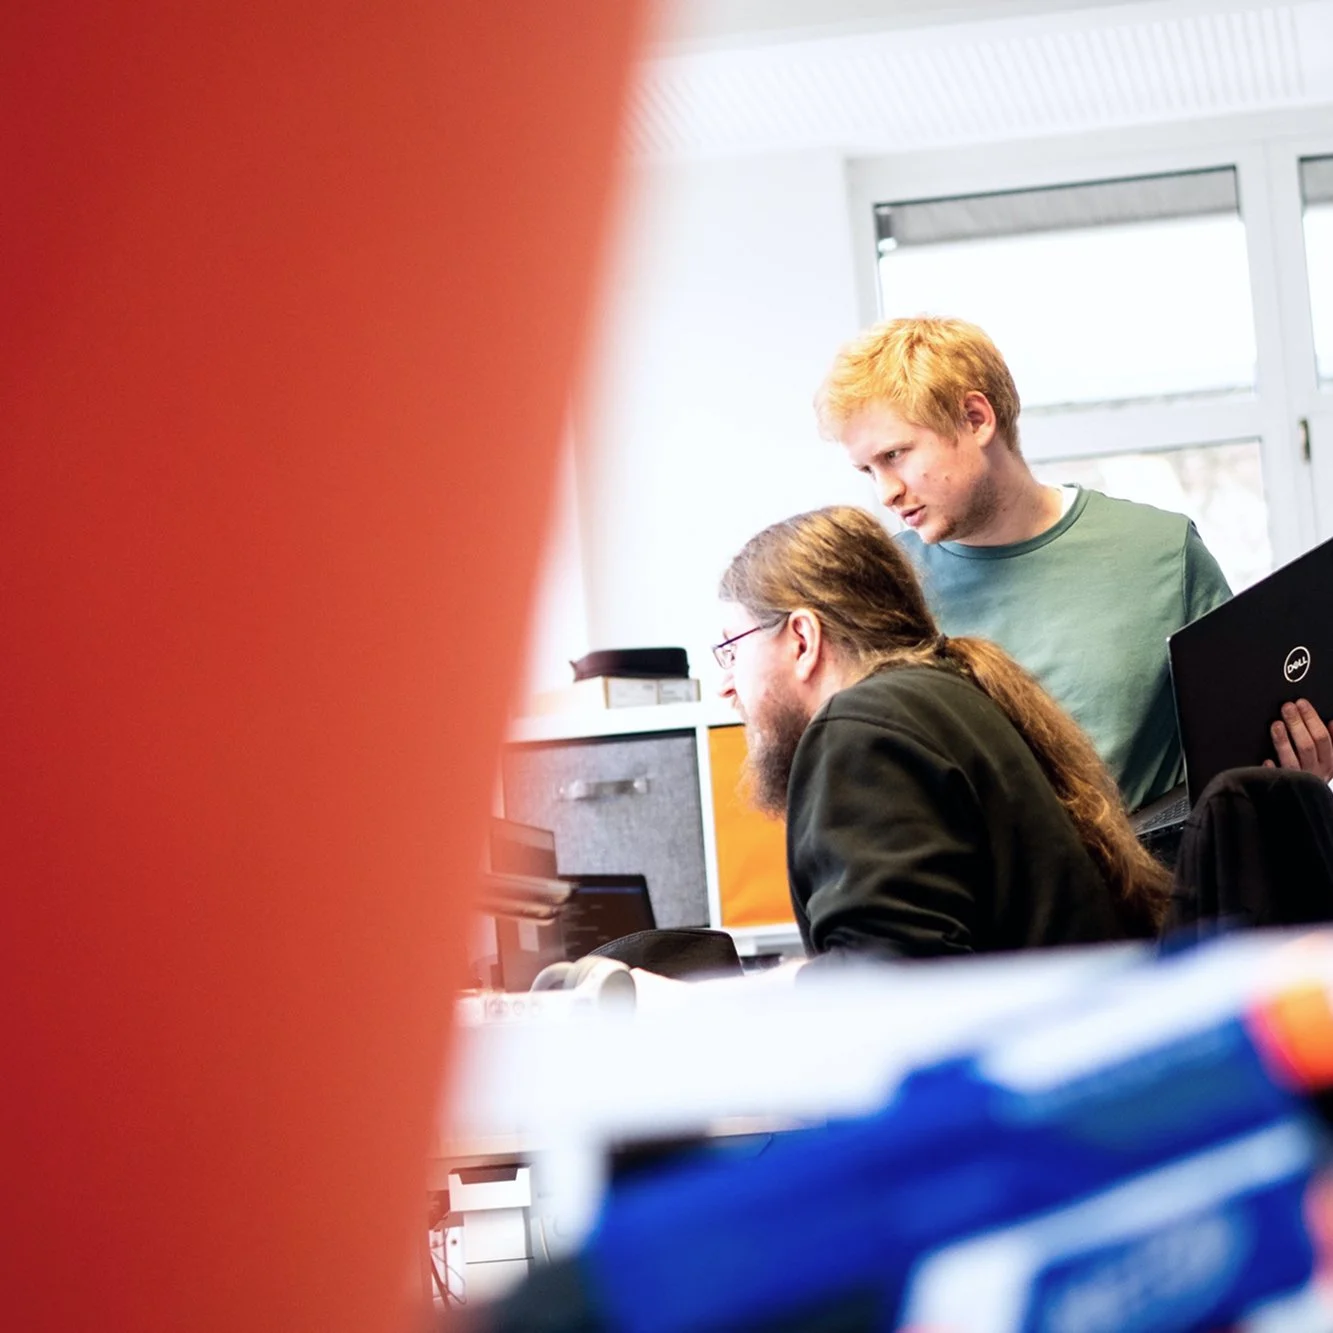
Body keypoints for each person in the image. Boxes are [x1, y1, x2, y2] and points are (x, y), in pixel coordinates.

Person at [815, 316, 1333, 811]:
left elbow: (1240, 749)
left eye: (895, 456)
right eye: (867, 470)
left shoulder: (1160, 550)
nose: (886, 492)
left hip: (1167, 892)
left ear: (976, 419)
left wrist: (1297, 777)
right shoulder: (884, 592)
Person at [715, 505, 1169, 961]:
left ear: (801, 639)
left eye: (732, 650)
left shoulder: (860, 731)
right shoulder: (947, 697)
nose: (726, 684)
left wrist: (699, 1000)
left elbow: (884, 981)